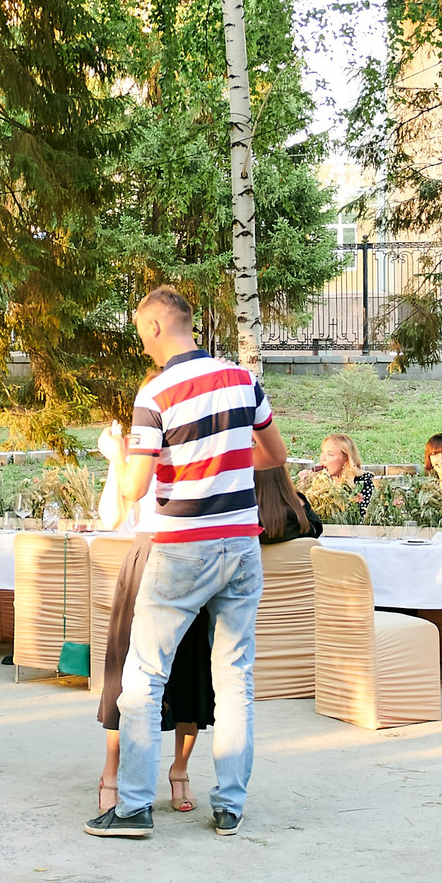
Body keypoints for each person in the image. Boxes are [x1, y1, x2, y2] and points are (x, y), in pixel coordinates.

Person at [86, 286, 284, 842]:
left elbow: (134, 488)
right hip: (242, 545)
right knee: (235, 676)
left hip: (181, 546)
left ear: (154, 327)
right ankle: (230, 806)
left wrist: (119, 455)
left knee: (144, 677)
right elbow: (274, 454)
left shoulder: (155, 392)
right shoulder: (243, 379)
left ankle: (131, 809)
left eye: (140, 332)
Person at [91, 418, 214, 814]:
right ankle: (112, 772)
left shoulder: (197, 449)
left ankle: (180, 770)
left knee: (190, 670)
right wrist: (116, 460)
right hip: (146, 557)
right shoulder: (136, 454)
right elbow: (111, 518)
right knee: (124, 672)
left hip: (193, 557)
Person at [306, 432, 373, 511]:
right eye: (322, 452)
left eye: (330, 454)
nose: (323, 458)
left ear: (346, 459)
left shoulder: (364, 482)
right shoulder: (317, 480)